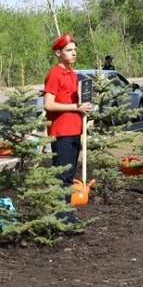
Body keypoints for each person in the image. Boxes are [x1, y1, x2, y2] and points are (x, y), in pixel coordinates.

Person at [43, 33, 92, 190]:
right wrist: (76, 107)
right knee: (62, 177)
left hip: (75, 129)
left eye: (74, 49)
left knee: (69, 177)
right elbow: (48, 105)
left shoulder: (72, 73)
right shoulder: (54, 74)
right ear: (58, 53)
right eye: (69, 50)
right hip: (61, 132)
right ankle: (61, 207)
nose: (74, 53)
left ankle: (68, 207)